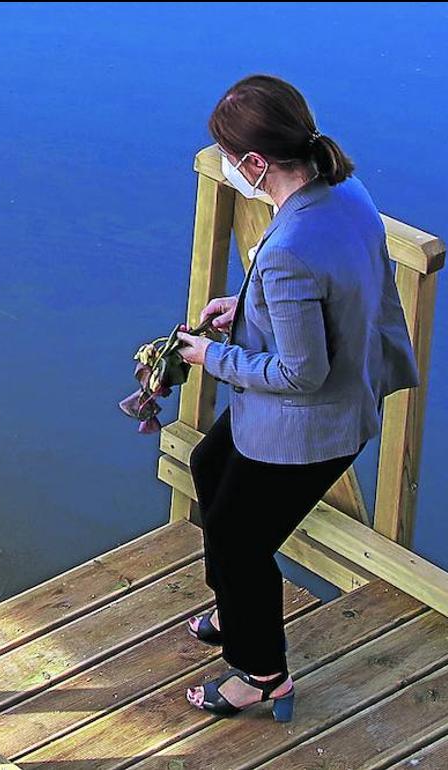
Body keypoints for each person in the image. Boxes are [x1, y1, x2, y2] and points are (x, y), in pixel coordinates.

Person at [171, 74, 421, 723]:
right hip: (345, 393)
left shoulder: (288, 249)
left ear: (256, 163)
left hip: (309, 425)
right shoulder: (343, 190)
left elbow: (300, 373)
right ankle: (236, 610)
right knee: (208, 465)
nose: (226, 166)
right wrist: (247, 306)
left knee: (240, 541)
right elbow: (324, 293)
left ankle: (263, 675)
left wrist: (209, 357)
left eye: (230, 156)